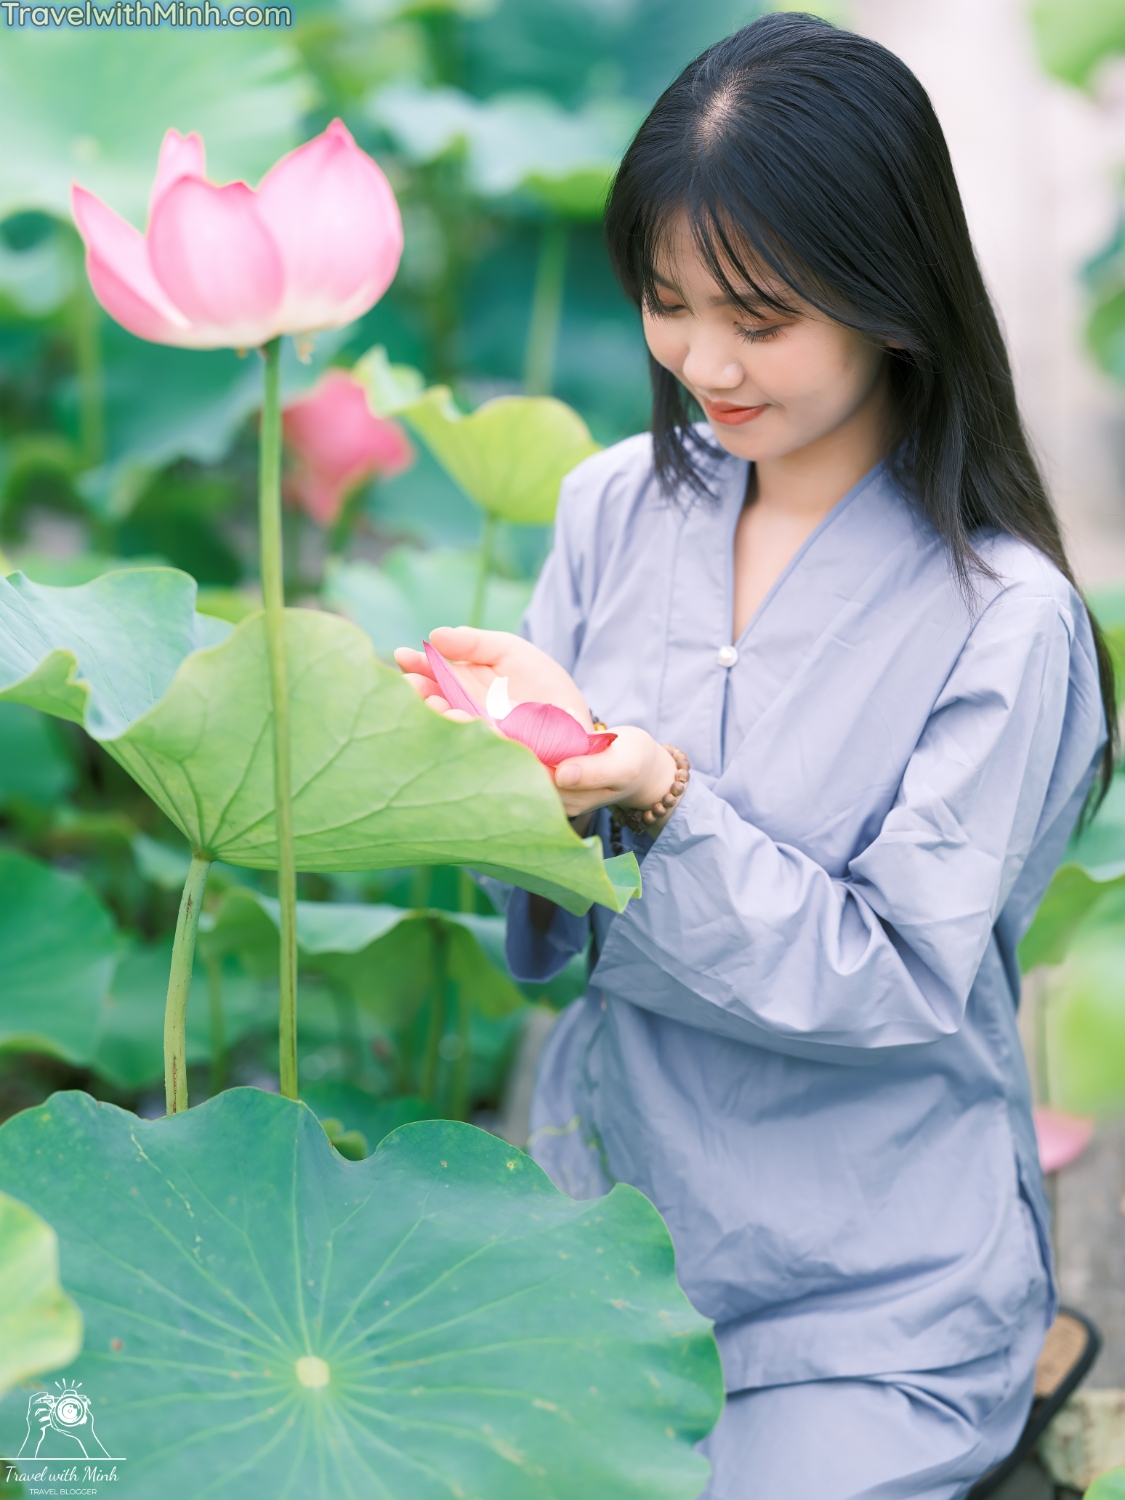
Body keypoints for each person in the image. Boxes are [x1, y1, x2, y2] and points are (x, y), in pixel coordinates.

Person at [395, 13, 1116, 1498]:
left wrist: (658, 796)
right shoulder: (608, 505)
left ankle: (1012, 1359)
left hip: (866, 1299)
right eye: (665, 301)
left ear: (890, 295)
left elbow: (897, 979)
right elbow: (544, 933)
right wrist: (494, 767)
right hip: (596, 1244)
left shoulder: (1007, 620)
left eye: (761, 315)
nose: (701, 361)